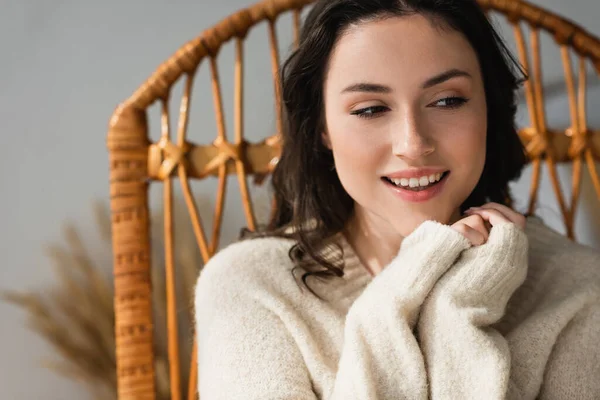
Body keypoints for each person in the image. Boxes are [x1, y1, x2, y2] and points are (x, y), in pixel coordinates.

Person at [194, 0, 600, 398]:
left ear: (489, 110)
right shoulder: (250, 286)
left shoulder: (581, 289)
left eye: (447, 100)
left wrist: (455, 314)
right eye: (370, 108)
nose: (413, 144)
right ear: (322, 126)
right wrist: (411, 300)